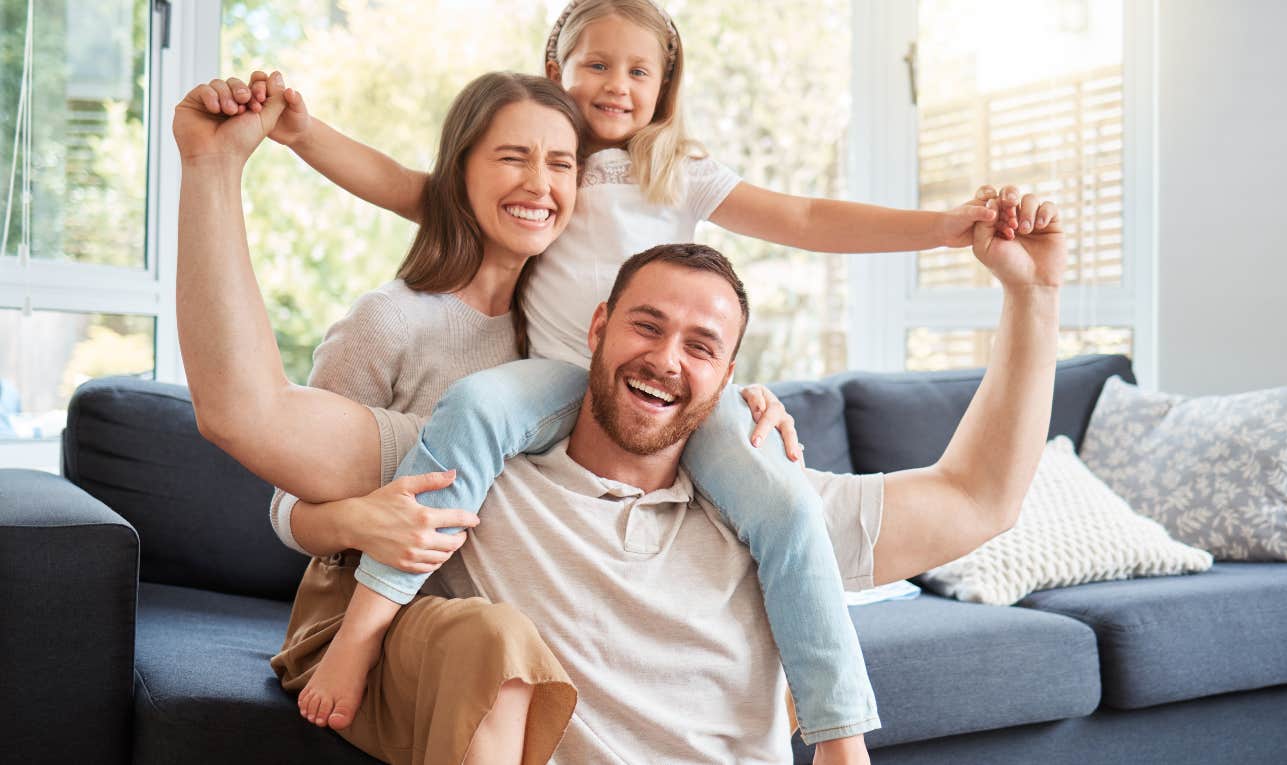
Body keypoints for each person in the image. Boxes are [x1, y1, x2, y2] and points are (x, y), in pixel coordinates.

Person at [178, 71, 1063, 763]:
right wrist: (214, 169)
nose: (668, 359)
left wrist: (1034, 300)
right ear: (593, 329)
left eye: (702, 347)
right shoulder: (473, 466)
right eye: (646, 324)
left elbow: (980, 497)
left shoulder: (760, 495)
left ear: (731, 376)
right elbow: (247, 411)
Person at [175, 70, 588, 765]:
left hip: (481, 610)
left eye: (560, 163)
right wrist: (359, 521)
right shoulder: (390, 320)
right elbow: (288, 506)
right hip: (350, 619)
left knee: (504, 635)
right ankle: (208, 170)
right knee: (498, 640)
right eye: (513, 157)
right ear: (458, 172)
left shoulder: (555, 342)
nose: (539, 184)